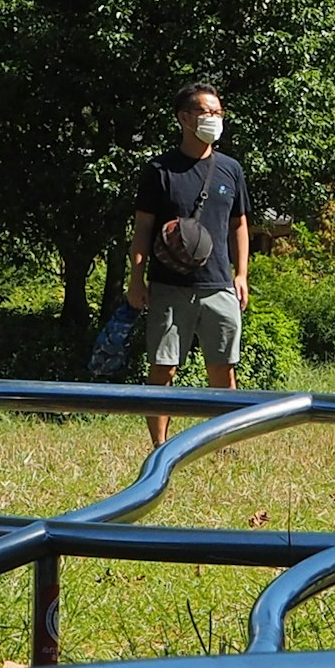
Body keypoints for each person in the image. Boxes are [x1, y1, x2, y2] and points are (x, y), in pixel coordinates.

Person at [127, 83, 251, 443]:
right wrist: (137, 279)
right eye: (206, 112)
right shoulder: (160, 170)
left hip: (219, 287)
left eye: (218, 113)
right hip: (169, 288)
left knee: (223, 373)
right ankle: (159, 448)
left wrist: (241, 274)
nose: (214, 119)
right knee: (163, 371)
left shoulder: (230, 169)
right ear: (184, 118)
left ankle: (222, 444)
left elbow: (239, 224)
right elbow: (143, 229)